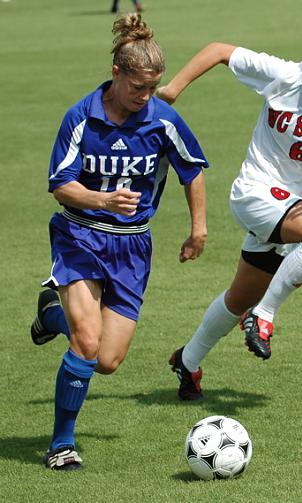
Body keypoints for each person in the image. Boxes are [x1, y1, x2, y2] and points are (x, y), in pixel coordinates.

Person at [157, 0, 302, 401]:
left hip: (287, 210)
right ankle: (263, 316)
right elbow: (217, 50)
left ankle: (189, 361)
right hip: (255, 192)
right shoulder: (284, 74)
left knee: (238, 297)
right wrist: (173, 88)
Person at [31, 12, 208, 470]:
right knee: (86, 344)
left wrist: (198, 229)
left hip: (132, 248)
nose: (146, 96)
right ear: (116, 73)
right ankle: (61, 445)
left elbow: (192, 171)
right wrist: (102, 200)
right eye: (138, 88)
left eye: (152, 88)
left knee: (107, 360)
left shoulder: (162, 119)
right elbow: (59, 184)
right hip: (80, 235)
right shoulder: (81, 117)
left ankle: (51, 315)